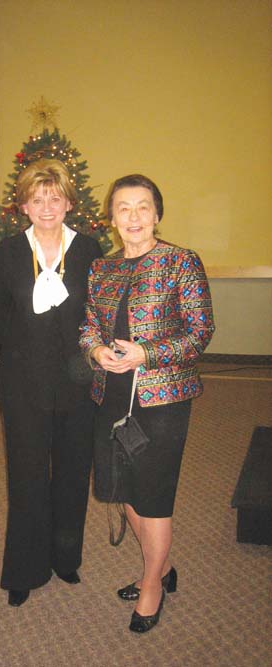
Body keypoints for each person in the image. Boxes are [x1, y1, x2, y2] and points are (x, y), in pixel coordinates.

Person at [79, 174, 215, 633]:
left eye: (142, 207)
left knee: (153, 495)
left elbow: (200, 333)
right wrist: (97, 351)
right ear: (112, 217)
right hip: (112, 393)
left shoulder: (180, 262)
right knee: (123, 488)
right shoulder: (103, 268)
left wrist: (147, 354)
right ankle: (163, 567)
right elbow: (89, 328)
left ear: (156, 214)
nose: (133, 217)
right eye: (123, 208)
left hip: (163, 398)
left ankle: (152, 584)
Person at [0, 159, 103, 607]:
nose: (47, 206)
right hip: (23, 385)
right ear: (24, 206)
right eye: (37, 198)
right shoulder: (9, 253)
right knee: (27, 477)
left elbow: (102, 312)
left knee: (74, 474)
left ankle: (64, 560)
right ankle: (25, 569)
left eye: (55, 197)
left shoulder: (89, 249)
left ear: (70, 202)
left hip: (78, 383)